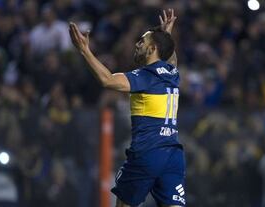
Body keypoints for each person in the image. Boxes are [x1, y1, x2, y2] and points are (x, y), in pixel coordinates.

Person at [69, 9, 186, 207]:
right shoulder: (172, 73)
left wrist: (84, 50)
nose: (137, 45)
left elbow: (107, 80)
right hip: (173, 156)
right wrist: (165, 35)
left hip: (146, 153)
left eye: (143, 42)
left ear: (152, 49)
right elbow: (170, 58)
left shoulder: (144, 76)